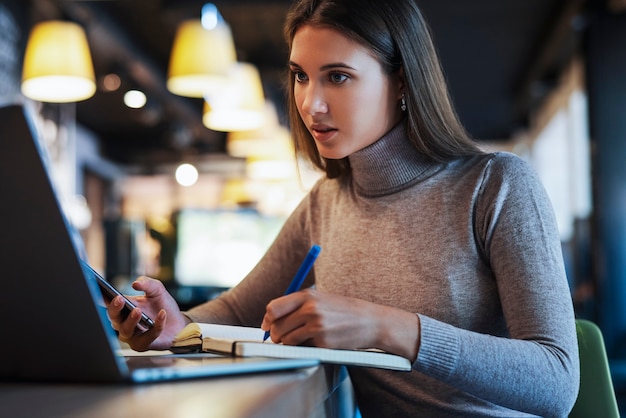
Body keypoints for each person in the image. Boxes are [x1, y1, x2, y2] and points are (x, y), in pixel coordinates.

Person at [108, 0, 580, 416]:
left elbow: (557, 382)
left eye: (338, 76)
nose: (311, 104)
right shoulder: (325, 203)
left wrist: (385, 327)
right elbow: (238, 308)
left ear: (401, 80)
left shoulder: (495, 184)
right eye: (300, 76)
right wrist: (181, 326)